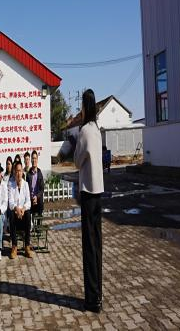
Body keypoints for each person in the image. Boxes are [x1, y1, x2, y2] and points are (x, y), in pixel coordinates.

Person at [74, 88, 104, 313]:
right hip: (98, 193)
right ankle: (98, 295)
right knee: (97, 245)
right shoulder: (97, 130)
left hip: (87, 193)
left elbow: (77, 161)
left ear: (85, 107)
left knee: (89, 247)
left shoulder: (84, 131)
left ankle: (92, 300)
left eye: (82, 106)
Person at [8, 161, 32, 259]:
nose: (18, 173)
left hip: (23, 214)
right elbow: (10, 202)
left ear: (22, 172)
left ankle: (27, 246)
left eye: (20, 171)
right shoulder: (11, 185)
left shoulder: (26, 185)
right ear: (14, 172)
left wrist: (23, 209)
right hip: (15, 215)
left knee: (28, 214)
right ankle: (14, 247)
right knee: (11, 214)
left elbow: (28, 201)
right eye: (17, 171)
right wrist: (16, 208)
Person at [26, 150, 44, 217]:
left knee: (40, 201)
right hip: (30, 199)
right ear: (31, 160)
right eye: (33, 158)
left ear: (37, 160)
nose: (34, 160)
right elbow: (26, 189)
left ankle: (39, 221)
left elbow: (42, 189)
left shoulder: (40, 173)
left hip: (38, 199)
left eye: (35, 158)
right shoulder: (28, 174)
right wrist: (32, 197)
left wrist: (36, 197)